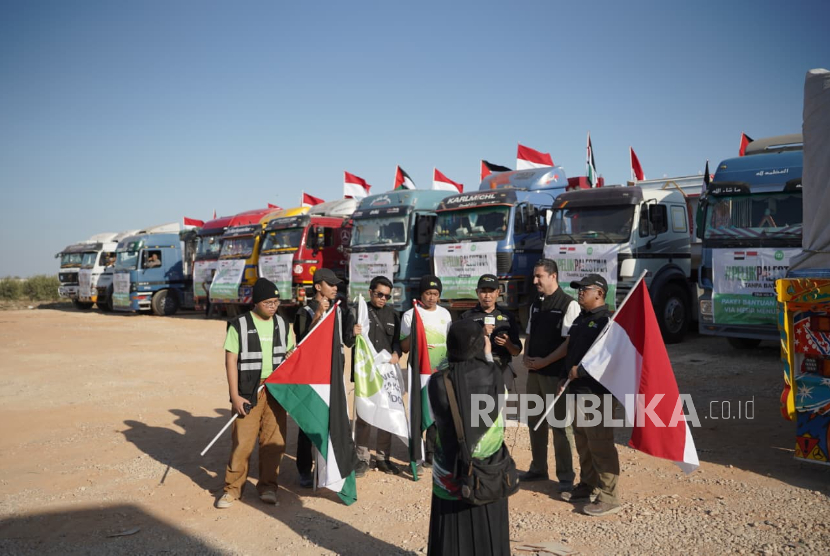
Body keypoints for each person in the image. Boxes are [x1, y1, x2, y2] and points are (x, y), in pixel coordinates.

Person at [427, 319, 510, 555]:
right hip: (488, 471)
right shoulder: (493, 375)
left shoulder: (438, 381)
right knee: (489, 522)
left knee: (451, 523)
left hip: (450, 470)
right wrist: (487, 353)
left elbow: (435, 416)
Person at [216, 278, 293, 509]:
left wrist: (290, 357)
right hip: (249, 391)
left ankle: (268, 487)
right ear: (256, 302)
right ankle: (232, 490)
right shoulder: (238, 324)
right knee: (243, 443)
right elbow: (231, 361)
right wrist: (235, 396)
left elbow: (290, 353)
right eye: (268, 302)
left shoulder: (282, 323)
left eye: (277, 301)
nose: (273, 306)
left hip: (276, 390)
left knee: (274, 442)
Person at [559, 273, 620, 516]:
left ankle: (609, 495)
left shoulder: (608, 322)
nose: (580, 292)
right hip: (576, 390)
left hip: (597, 393)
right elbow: (572, 353)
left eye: (586, 288)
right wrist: (566, 377)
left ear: (600, 293)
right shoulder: (580, 320)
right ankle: (588, 483)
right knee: (583, 442)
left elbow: (610, 358)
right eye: (579, 288)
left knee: (600, 444)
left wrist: (581, 371)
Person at [520, 259, 580, 492]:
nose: (535, 281)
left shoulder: (568, 305)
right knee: (535, 422)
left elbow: (568, 343)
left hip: (555, 376)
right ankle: (538, 468)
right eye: (535, 276)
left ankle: (565, 476)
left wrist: (545, 361)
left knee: (560, 425)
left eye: (539, 276)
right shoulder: (536, 303)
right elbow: (530, 333)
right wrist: (526, 356)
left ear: (553, 276)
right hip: (534, 373)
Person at [293, 268, 356, 488]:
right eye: (331, 284)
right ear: (318, 286)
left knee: (334, 420)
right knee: (308, 422)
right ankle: (304, 469)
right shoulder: (304, 312)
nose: (335, 287)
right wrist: (318, 315)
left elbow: (344, 341)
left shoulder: (338, 310)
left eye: (336, 284)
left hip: (334, 374)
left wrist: (353, 331)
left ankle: (331, 467)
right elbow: (302, 345)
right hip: (313, 377)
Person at [353, 275, 403, 476]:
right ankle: (362, 459)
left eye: (387, 296)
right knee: (364, 416)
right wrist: (353, 331)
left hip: (385, 374)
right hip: (365, 375)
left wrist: (397, 353)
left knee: (386, 414)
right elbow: (347, 341)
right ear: (370, 292)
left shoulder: (394, 315)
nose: (383, 299)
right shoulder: (358, 312)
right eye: (379, 294)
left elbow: (398, 342)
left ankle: (383, 458)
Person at [401, 275, 453, 467]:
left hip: (441, 371)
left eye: (435, 294)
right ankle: (417, 452)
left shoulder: (445, 314)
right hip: (420, 373)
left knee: (439, 413)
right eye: (428, 293)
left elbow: (450, 342)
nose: (431, 297)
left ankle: (433, 453)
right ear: (421, 294)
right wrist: (414, 332)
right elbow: (404, 347)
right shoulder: (410, 315)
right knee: (420, 411)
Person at [461, 274, 522, 392]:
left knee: (503, 407)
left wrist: (508, 344)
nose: (487, 296)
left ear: (498, 292)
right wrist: (480, 334)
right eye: (483, 291)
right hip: (476, 368)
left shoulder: (507, 317)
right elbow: (462, 348)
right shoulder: (466, 317)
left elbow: (517, 351)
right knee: (479, 406)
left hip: (503, 368)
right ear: (477, 292)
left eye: (491, 291)